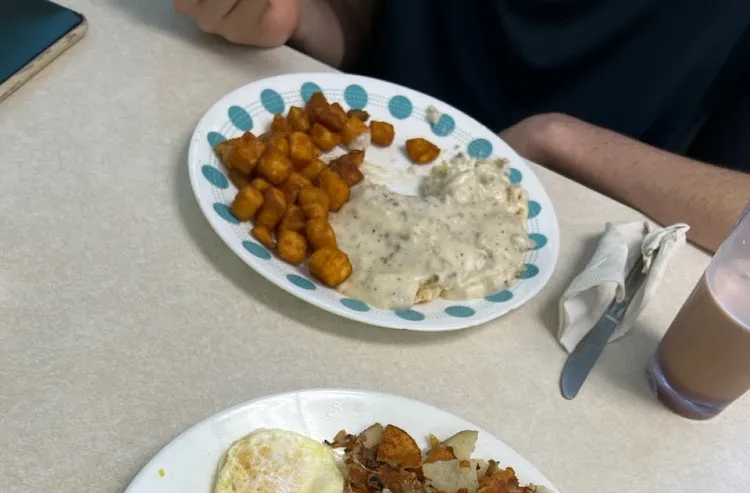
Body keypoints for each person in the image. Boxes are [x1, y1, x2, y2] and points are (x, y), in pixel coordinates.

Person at [174, 0, 750, 252]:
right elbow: (365, 30)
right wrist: (294, 18)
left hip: (572, 299)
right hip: (348, 203)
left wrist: (562, 140)